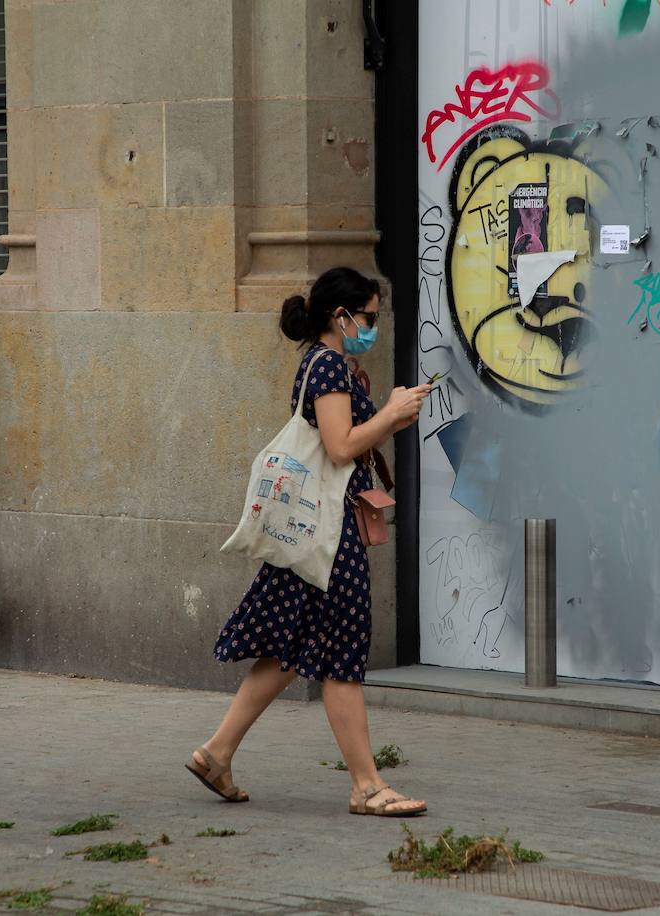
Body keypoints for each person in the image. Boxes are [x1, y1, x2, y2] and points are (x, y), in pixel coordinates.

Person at [190, 267, 432, 816]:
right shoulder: (326, 366)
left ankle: (217, 753)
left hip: (315, 531)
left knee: (289, 647)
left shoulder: (330, 364)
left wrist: (388, 405)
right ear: (339, 316)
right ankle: (367, 786)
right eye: (368, 316)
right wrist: (392, 415)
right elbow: (341, 446)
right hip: (328, 533)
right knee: (342, 651)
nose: (373, 325)